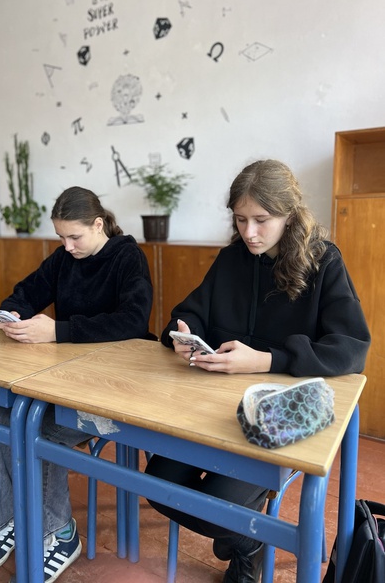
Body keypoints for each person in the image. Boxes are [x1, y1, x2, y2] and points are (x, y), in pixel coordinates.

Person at [145, 159, 371, 583]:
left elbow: (351, 350)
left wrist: (267, 360)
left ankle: (243, 544)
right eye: (240, 219)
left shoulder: (323, 261)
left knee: (218, 510)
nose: (249, 232)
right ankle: (248, 539)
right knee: (157, 484)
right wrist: (183, 333)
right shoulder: (232, 258)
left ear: (289, 214)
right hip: (210, 409)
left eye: (262, 220)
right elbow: (190, 312)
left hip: (278, 416)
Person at [0, 186, 153, 582]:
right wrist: (12, 316)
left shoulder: (127, 257)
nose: (67, 246)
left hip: (114, 387)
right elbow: (25, 293)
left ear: (98, 225)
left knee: (39, 431)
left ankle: (61, 534)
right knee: (1, 414)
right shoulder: (65, 258)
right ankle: (12, 520)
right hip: (65, 379)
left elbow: (133, 321)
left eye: (74, 236)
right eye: (61, 237)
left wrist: (57, 332)